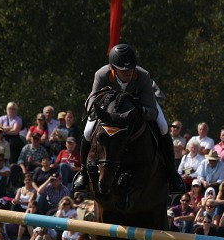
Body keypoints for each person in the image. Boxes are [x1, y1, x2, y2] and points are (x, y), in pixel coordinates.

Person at [73, 43, 186, 194]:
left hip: (138, 109)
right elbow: (91, 105)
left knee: (163, 126)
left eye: (130, 68)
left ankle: (172, 175)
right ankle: (83, 174)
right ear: (113, 68)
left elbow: (152, 111)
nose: (128, 72)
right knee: (88, 132)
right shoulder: (102, 75)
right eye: (123, 70)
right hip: (109, 113)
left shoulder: (143, 76)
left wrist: (140, 109)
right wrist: (105, 106)